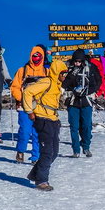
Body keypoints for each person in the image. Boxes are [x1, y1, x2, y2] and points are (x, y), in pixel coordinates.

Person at [22, 57, 69, 191]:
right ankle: (41, 181)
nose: (64, 76)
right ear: (57, 72)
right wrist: (29, 111)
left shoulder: (57, 85)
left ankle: (35, 174)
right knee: (47, 152)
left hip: (53, 120)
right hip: (43, 120)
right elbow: (27, 92)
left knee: (54, 153)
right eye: (63, 73)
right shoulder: (47, 82)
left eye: (65, 74)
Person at [10, 45, 47, 163]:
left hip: (40, 106)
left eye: (39, 56)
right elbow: (15, 87)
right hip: (24, 106)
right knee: (25, 131)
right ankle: (21, 151)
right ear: (31, 56)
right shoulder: (22, 70)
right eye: (34, 56)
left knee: (37, 133)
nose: (36, 58)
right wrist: (21, 98)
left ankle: (35, 157)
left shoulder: (46, 71)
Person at [62, 48, 102, 158]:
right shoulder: (70, 69)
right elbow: (65, 84)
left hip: (86, 101)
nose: (77, 63)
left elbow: (97, 82)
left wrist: (87, 91)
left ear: (83, 60)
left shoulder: (90, 68)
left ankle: (86, 147)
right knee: (74, 126)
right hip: (73, 101)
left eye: (79, 61)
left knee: (86, 126)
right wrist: (71, 89)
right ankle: (76, 150)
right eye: (75, 61)